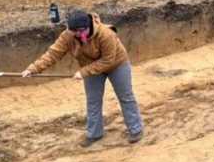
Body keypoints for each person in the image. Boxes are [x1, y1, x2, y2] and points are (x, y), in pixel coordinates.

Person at [22, 10, 144, 146]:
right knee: (93, 101)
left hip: (116, 64)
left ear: (85, 28)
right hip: (90, 67)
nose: (74, 35)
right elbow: (53, 54)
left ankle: (136, 129)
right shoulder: (68, 35)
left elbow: (107, 61)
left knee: (125, 96)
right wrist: (33, 69)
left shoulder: (106, 34)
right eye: (72, 32)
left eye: (77, 32)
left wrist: (83, 72)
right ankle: (95, 134)